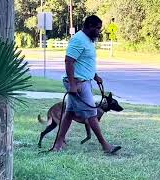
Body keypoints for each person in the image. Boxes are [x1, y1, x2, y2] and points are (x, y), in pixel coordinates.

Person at [52, 15, 121, 154]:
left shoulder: (89, 40)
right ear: (89, 26)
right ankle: (105, 145)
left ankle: (58, 144)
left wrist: (95, 76)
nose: (99, 31)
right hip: (77, 83)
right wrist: (72, 85)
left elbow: (84, 62)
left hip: (84, 81)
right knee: (92, 114)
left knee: (70, 113)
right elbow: (69, 61)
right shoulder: (78, 40)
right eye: (97, 28)